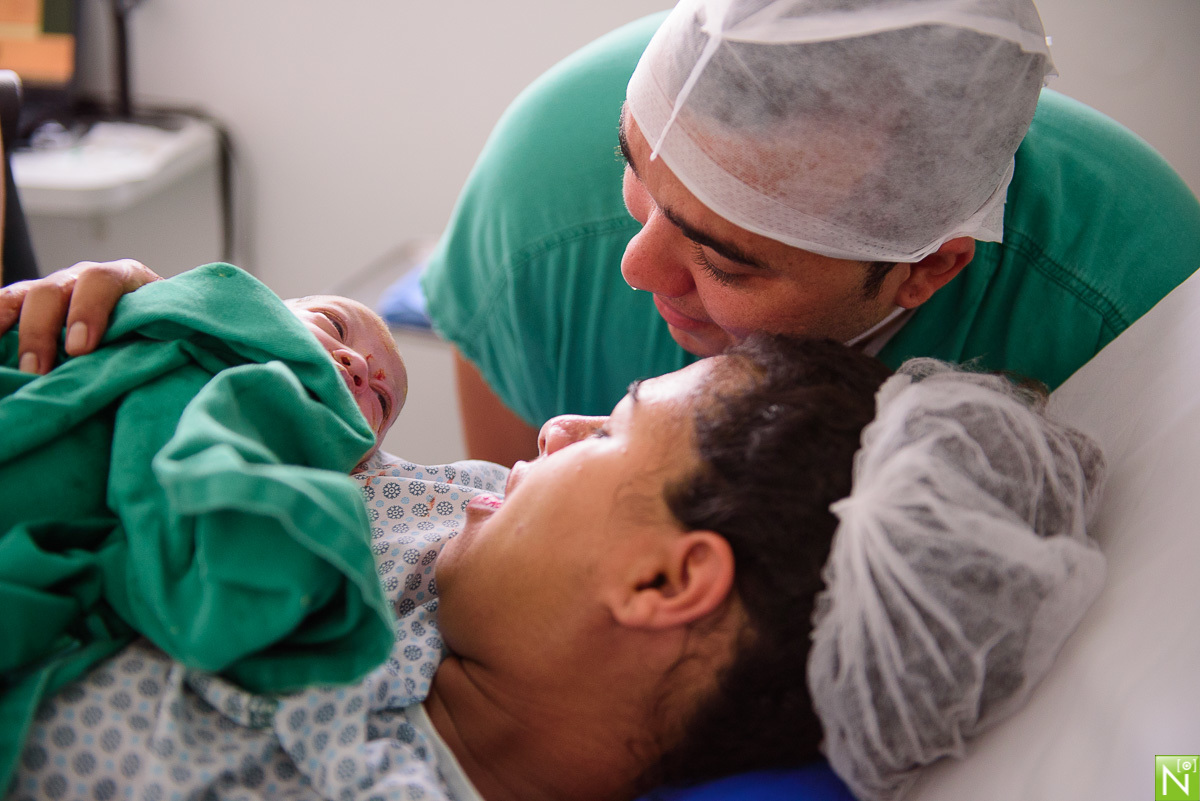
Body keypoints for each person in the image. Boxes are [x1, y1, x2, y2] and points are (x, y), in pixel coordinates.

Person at [7, 334, 1106, 801]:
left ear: (666, 585)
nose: (556, 429)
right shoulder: (458, 520)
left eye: (617, 428)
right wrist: (284, 334)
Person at [413, 0, 1200, 466]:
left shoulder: (1145, 315)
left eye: (724, 259)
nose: (636, 267)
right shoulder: (535, 205)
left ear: (926, 270)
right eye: (640, 175)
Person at [0, 264, 409, 792]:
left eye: (382, 401)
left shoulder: (286, 439)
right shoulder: (194, 323)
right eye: (332, 324)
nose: (358, 366)